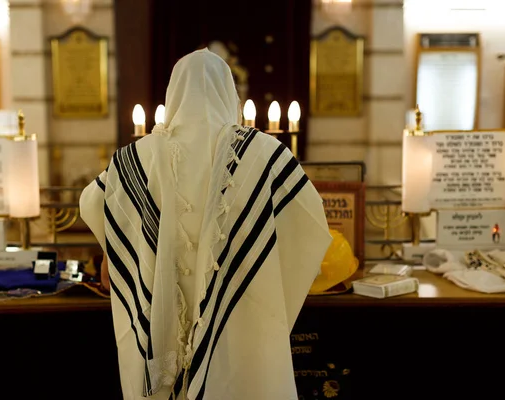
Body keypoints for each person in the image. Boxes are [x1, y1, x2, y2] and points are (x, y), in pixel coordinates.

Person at [80, 48, 332, 400]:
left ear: (173, 94)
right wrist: (273, 283)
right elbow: (310, 220)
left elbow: (91, 201)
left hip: (159, 326)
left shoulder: (136, 156)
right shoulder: (264, 153)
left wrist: (115, 250)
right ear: (230, 93)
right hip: (240, 323)